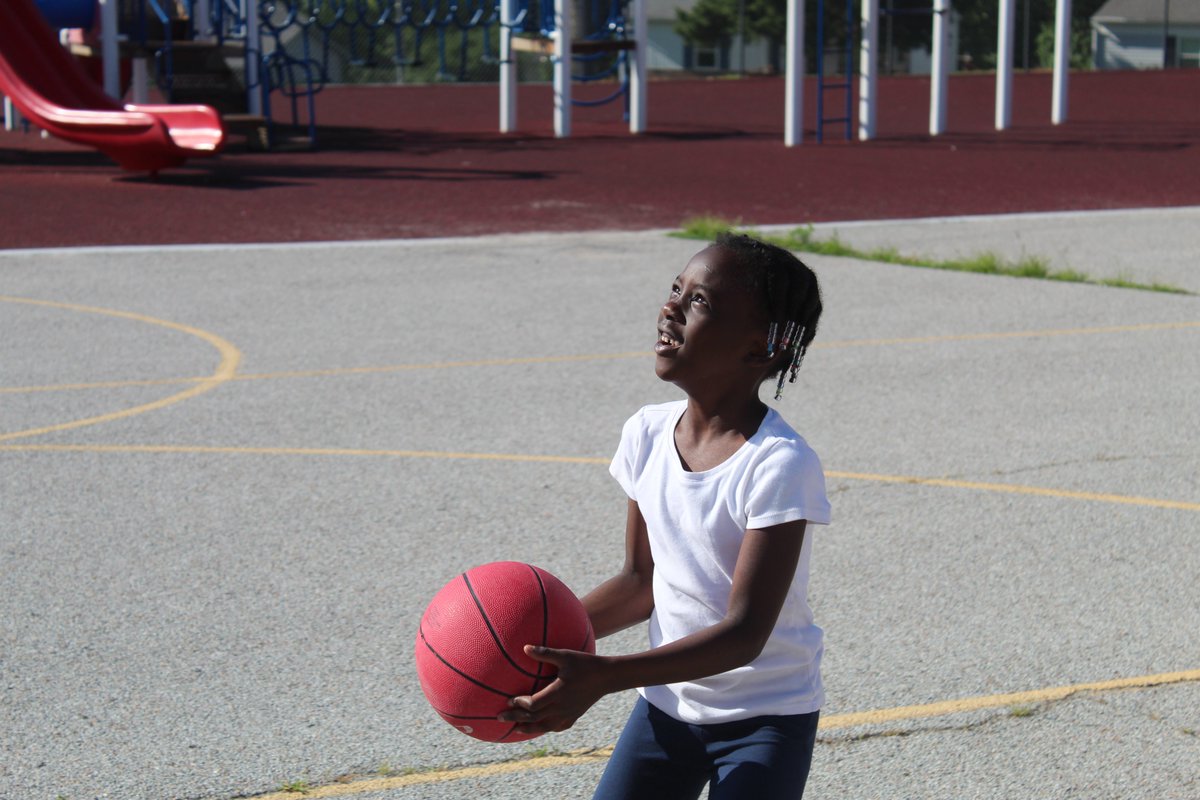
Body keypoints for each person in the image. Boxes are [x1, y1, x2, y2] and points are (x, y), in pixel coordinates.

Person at [500, 232, 831, 799]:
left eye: (700, 301)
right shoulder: (647, 433)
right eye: (676, 289)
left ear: (760, 347)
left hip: (765, 717)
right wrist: (540, 648)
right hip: (668, 705)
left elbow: (745, 634)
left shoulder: (779, 464)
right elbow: (639, 582)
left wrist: (605, 676)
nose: (671, 306)